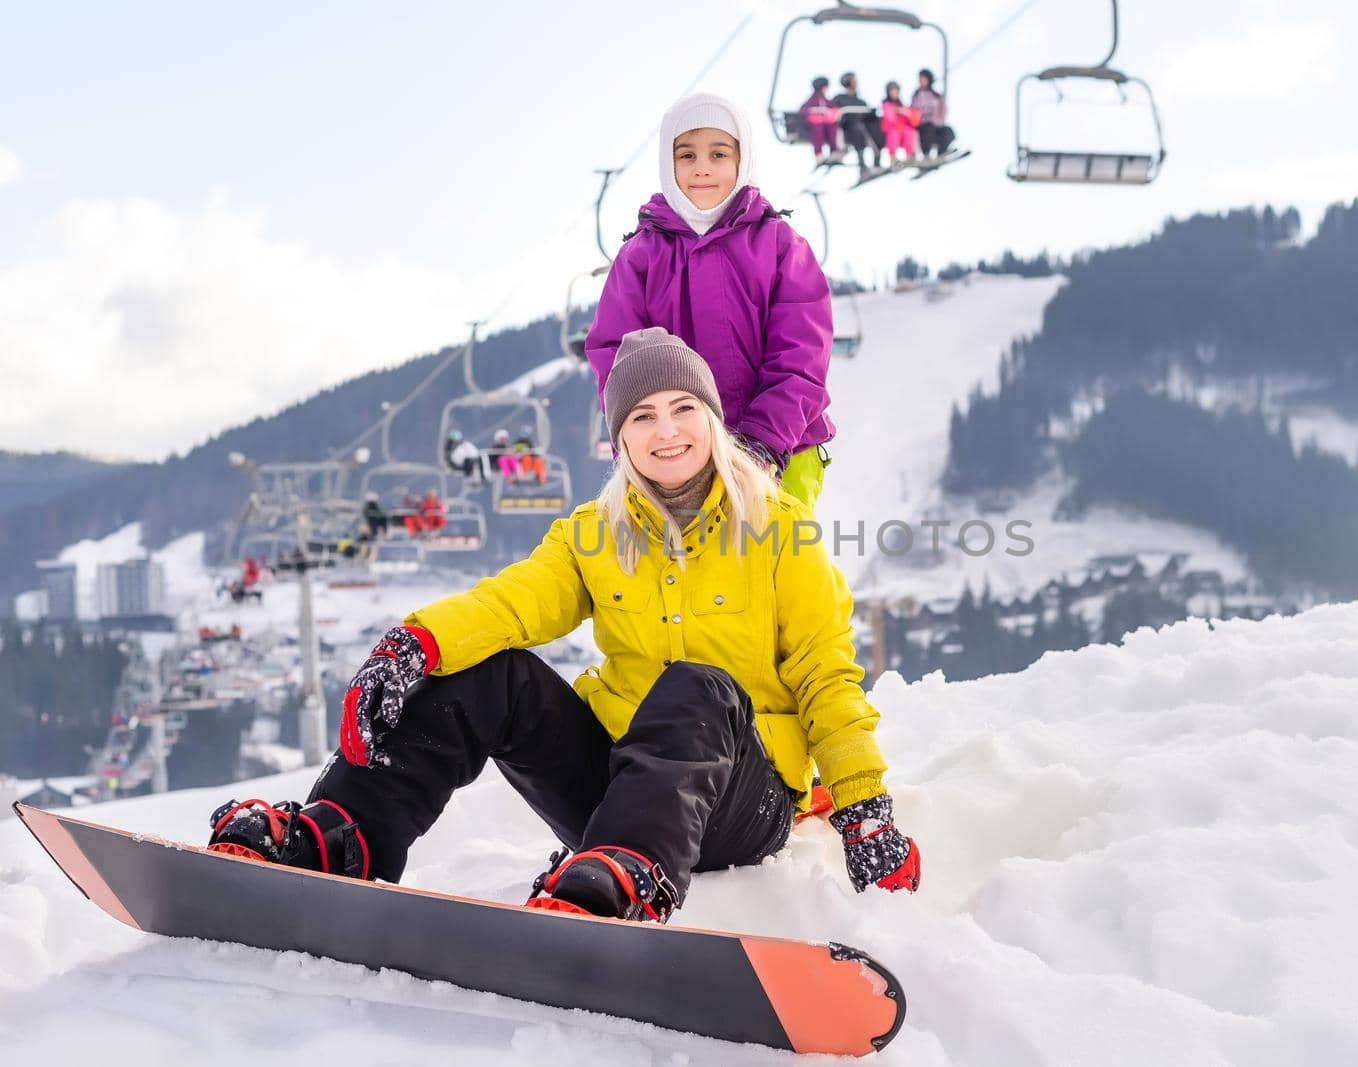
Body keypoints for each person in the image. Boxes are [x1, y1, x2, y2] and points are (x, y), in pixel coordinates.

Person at [205, 328, 919, 923]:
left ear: (711, 418)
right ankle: (343, 834)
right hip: (619, 794)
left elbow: (827, 673)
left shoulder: (777, 530)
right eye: (641, 416)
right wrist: (412, 644)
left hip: (742, 800)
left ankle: (630, 877)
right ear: (621, 440)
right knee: (488, 672)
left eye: (681, 408)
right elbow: (512, 603)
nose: (665, 430)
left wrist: (866, 809)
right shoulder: (595, 534)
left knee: (698, 687)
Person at [586, 93, 836, 511]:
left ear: (742, 161)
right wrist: (642, 441)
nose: (702, 167)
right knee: (685, 571)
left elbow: (801, 357)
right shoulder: (641, 258)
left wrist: (763, 444)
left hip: (783, 452)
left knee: (779, 566)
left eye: (718, 154)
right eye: (687, 155)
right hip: (676, 459)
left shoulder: (780, 246)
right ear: (669, 165)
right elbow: (619, 362)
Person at [831, 72, 883, 170]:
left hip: (864, 127)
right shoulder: (839, 99)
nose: (856, 82)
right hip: (847, 128)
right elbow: (835, 114)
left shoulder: (860, 101)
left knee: (877, 128)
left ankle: (877, 160)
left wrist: (872, 113)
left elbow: (867, 114)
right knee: (856, 129)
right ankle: (862, 166)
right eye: (853, 80)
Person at [910, 68, 956, 159]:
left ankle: (942, 152)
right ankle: (926, 154)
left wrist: (939, 119)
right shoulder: (917, 95)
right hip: (923, 124)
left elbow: (943, 109)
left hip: (937, 123)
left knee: (948, 131)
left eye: (923, 78)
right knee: (928, 131)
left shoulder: (936, 95)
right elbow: (914, 110)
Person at [799, 76, 840, 161]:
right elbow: (803, 110)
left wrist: (829, 112)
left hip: (827, 124)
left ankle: (834, 151)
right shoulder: (812, 100)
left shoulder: (826, 101)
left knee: (833, 127)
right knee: (818, 128)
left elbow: (834, 109)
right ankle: (818, 154)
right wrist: (816, 110)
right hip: (815, 125)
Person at [880, 81, 920, 165]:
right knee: (893, 134)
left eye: (896, 91)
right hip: (892, 129)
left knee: (910, 132)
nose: (894, 93)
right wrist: (897, 122)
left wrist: (905, 113)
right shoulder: (887, 104)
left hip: (903, 129)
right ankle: (893, 158)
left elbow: (910, 116)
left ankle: (910, 156)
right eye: (892, 91)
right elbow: (889, 117)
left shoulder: (902, 106)